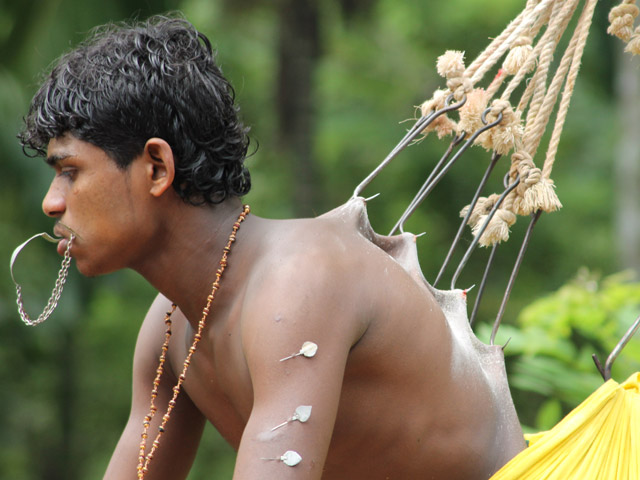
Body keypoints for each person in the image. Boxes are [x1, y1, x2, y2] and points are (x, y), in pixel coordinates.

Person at [19, 15, 525, 480]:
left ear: (156, 168)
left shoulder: (298, 280)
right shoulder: (169, 328)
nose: (51, 203)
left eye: (70, 172)